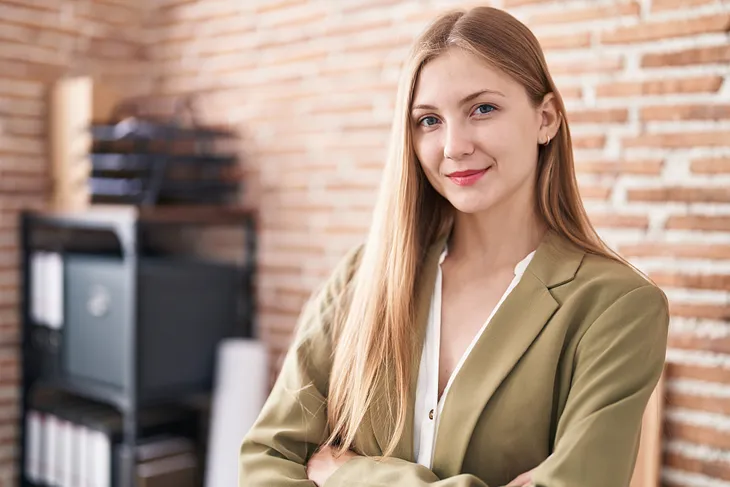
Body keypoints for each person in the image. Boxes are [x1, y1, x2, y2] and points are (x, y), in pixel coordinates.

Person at [239, 6, 669, 487]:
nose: (453, 145)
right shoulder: (362, 278)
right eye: (428, 120)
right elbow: (268, 457)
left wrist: (350, 474)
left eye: (482, 109)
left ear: (545, 118)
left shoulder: (616, 307)